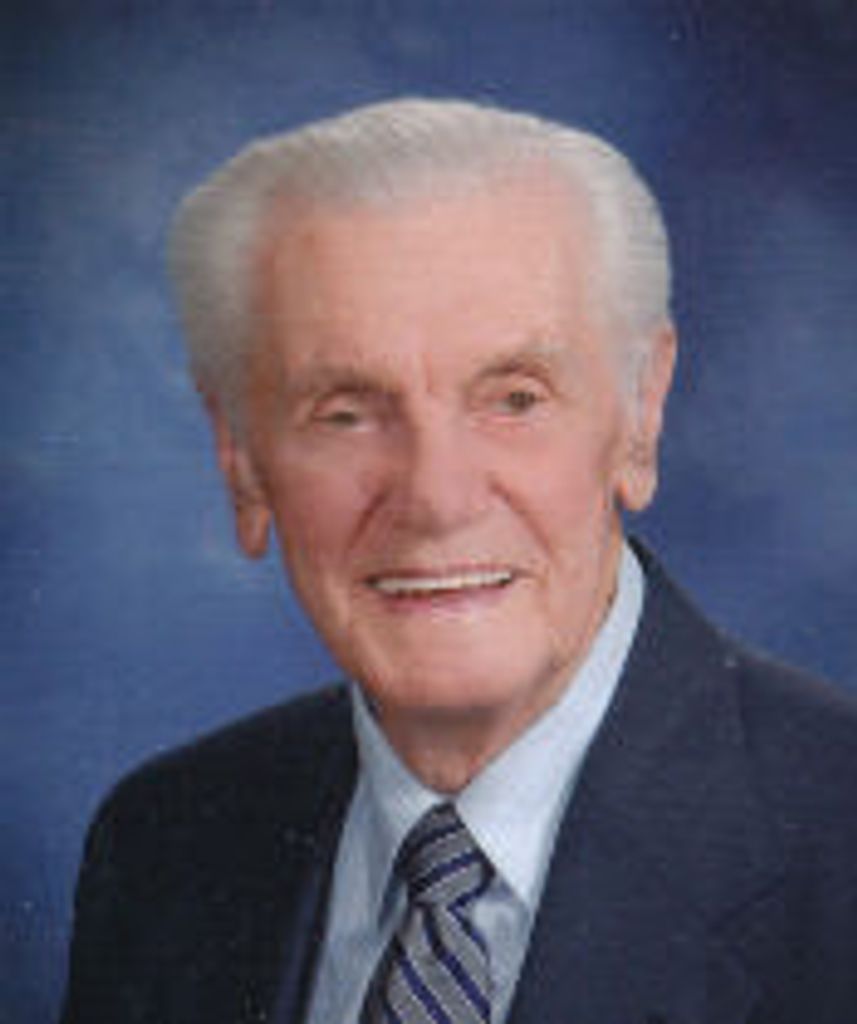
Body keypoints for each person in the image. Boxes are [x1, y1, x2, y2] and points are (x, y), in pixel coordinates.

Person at [60, 98, 857, 1024]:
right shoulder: (164, 844)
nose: (436, 499)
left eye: (513, 399)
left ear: (639, 411)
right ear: (239, 455)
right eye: (345, 414)